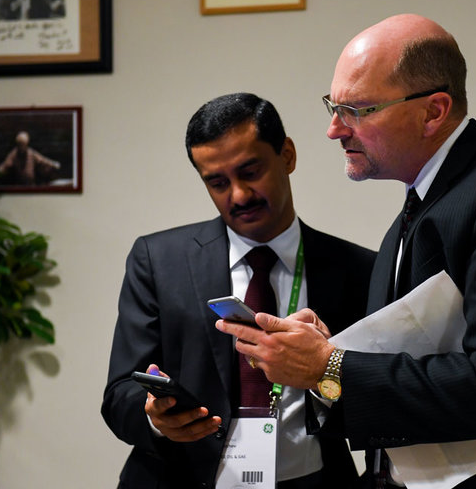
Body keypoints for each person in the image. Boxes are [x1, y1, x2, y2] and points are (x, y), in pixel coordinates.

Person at [217, 15, 476, 488]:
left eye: (357, 110)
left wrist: (330, 366)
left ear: (434, 111)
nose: (334, 130)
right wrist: (328, 352)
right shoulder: (413, 214)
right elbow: (424, 364)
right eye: (332, 106)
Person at [101, 93, 376, 489]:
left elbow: (374, 395)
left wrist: (324, 370)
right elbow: (119, 392)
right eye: (217, 182)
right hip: (180, 478)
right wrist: (153, 416)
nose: (239, 195)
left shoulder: (357, 268)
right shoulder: (158, 261)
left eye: (250, 171)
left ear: (287, 156)